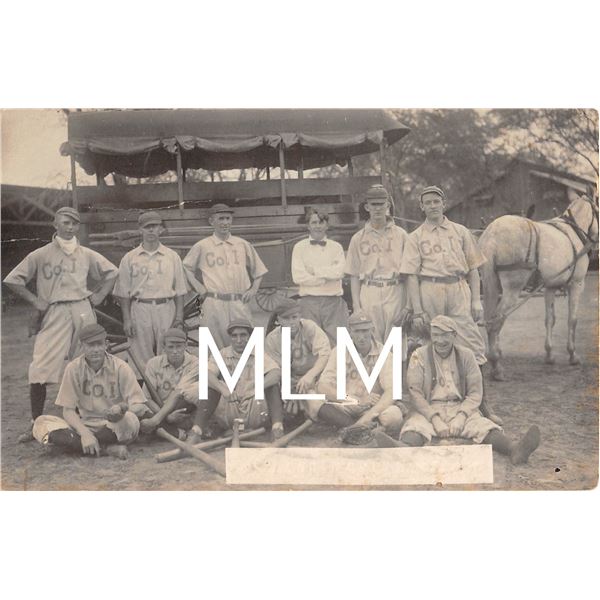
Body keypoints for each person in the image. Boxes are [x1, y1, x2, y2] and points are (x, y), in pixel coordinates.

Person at [3, 206, 118, 442]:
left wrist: (99, 295)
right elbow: (13, 279)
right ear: (55, 225)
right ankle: (36, 421)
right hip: (55, 311)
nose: (70, 227)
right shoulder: (41, 254)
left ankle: (81, 419)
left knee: (84, 362)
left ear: (78, 226)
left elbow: (111, 272)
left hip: (82, 308)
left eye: (74, 223)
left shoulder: (85, 253)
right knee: (41, 365)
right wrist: (36, 300)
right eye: (65, 223)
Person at [375, 316, 540, 465]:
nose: (440, 340)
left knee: (483, 426)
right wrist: (434, 419)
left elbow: (475, 392)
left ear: (454, 335)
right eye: (436, 335)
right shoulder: (419, 355)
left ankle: (514, 449)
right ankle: (402, 448)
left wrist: (461, 416)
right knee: (415, 426)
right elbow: (415, 393)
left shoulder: (467, 355)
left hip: (459, 407)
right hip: (429, 408)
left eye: (445, 335)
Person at [399, 185, 501, 423]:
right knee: (430, 344)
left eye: (437, 201)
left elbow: (474, 269)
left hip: (458, 289)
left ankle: (481, 404)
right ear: (421, 207)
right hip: (429, 289)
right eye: (428, 203)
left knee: (473, 345)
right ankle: (427, 407)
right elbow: (411, 276)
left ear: (443, 204)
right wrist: (418, 309)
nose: (432, 206)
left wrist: (477, 300)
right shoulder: (415, 237)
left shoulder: (461, 232)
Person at [31, 324, 150, 460]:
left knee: (130, 419)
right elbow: (68, 410)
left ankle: (76, 446)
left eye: (99, 344)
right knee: (40, 423)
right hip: (86, 424)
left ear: (106, 344)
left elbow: (139, 404)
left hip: (114, 425)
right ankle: (106, 449)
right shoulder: (73, 368)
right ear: (82, 346)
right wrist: (85, 434)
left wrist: (121, 409)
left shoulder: (120, 367)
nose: (95, 350)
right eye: (90, 345)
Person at [183, 203, 267, 348]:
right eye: (221, 219)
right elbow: (185, 267)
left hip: (238, 301)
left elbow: (259, 270)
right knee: (214, 345)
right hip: (213, 301)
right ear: (211, 221)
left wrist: (253, 289)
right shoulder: (202, 245)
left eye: (228, 218)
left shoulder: (242, 244)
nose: (225, 223)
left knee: (245, 343)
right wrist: (198, 287)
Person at [114, 210, 188, 373]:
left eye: (155, 226)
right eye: (147, 227)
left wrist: (179, 317)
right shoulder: (130, 258)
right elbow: (123, 293)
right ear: (140, 230)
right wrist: (127, 319)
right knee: (140, 355)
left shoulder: (172, 256)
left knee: (168, 351)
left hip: (166, 307)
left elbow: (180, 291)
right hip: (140, 308)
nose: (151, 230)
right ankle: (143, 394)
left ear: (161, 229)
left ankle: (167, 391)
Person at [315, 310, 407, 441]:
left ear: (372, 330)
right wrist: (354, 400)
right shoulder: (339, 351)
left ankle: (354, 428)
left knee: (394, 415)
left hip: (371, 408)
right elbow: (323, 386)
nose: (361, 336)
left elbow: (391, 391)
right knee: (314, 402)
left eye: (365, 331)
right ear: (350, 332)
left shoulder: (385, 353)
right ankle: (360, 430)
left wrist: (367, 417)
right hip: (346, 403)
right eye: (357, 331)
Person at [188, 319, 284, 442]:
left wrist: (257, 388)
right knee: (211, 385)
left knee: (272, 385)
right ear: (230, 337)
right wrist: (223, 389)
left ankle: (277, 429)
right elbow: (206, 373)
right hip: (230, 406)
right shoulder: (222, 354)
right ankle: (196, 431)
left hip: (253, 407)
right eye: (234, 336)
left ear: (249, 336)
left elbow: (276, 373)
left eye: (243, 335)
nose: (239, 340)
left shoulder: (258, 353)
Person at [345, 184, 409, 345]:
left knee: (396, 341)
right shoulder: (358, 238)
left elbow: (409, 273)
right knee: (372, 342)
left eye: (381, 204)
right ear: (367, 206)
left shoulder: (401, 235)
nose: (378, 208)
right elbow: (353, 274)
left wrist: (408, 305)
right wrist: (357, 306)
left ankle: (397, 371)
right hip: (369, 290)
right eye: (374, 204)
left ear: (388, 205)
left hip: (395, 289)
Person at [264, 297, 331, 421]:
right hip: (290, 381)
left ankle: (352, 426)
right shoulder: (272, 339)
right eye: (286, 318)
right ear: (278, 320)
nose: (291, 322)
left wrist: (310, 375)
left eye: (294, 317)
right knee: (284, 405)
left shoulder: (310, 327)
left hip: (314, 376)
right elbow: (276, 371)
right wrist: (291, 390)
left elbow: (325, 354)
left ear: (300, 315)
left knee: (317, 401)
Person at [291, 207, 348, 346]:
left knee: (337, 342)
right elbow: (298, 277)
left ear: (327, 225)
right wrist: (326, 278)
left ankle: (336, 368)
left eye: (321, 222)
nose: (318, 226)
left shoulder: (336, 247)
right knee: (311, 342)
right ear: (308, 226)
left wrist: (315, 271)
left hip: (333, 302)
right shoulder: (299, 247)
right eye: (314, 222)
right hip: (308, 302)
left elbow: (340, 272)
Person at [138, 328, 199, 439]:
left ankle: (162, 430)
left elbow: (186, 396)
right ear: (164, 347)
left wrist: (165, 417)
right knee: (137, 409)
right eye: (170, 347)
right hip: (159, 411)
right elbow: (147, 398)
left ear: (186, 346)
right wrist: (166, 416)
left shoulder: (195, 363)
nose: (175, 351)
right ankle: (173, 432)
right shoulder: (153, 363)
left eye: (179, 347)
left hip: (184, 412)